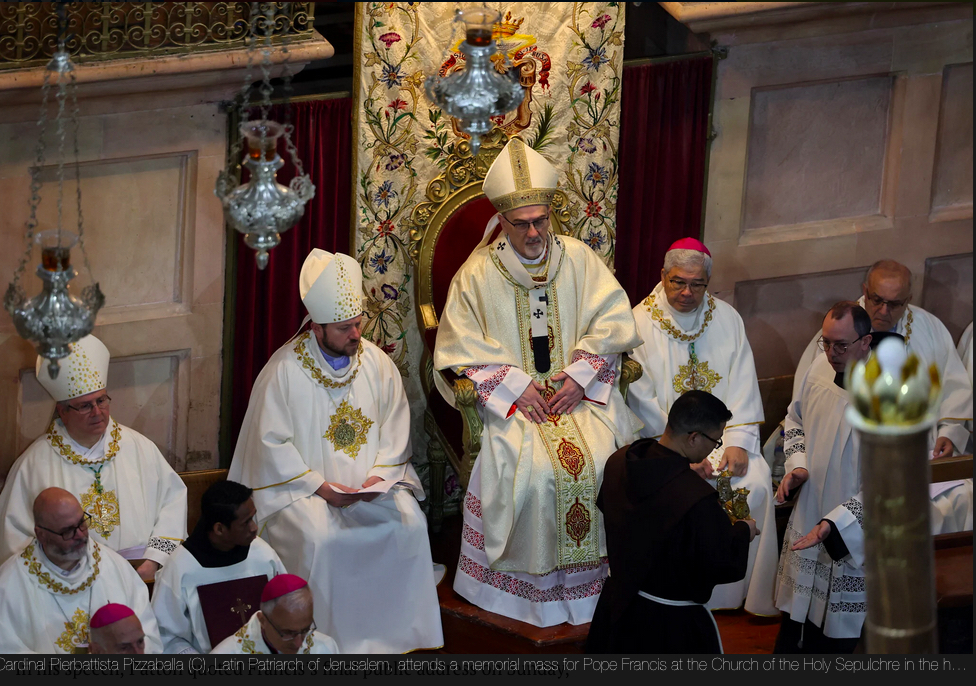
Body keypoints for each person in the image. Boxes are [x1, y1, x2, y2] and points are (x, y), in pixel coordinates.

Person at [434, 136, 643, 627]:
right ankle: (528, 595)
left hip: (579, 399)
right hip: (517, 406)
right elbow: (459, 345)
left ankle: (593, 589)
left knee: (604, 462)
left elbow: (613, 321)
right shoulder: (476, 274)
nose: (534, 232)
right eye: (521, 223)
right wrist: (512, 384)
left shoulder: (578, 258)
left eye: (541, 220)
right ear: (501, 221)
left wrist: (580, 376)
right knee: (535, 473)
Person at [229, 249, 443, 653]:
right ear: (317, 327)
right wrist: (321, 487)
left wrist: (379, 478)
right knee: (321, 539)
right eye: (345, 328)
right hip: (303, 494)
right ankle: (328, 645)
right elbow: (270, 445)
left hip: (370, 489)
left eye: (358, 323)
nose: (356, 334)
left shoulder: (376, 364)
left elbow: (395, 426)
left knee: (411, 525)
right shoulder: (283, 372)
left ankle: (405, 638)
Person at [625, 238, 777, 616]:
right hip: (669, 448)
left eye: (697, 284)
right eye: (678, 282)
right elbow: (641, 399)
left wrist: (739, 441)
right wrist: (679, 456)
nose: (687, 292)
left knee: (755, 481)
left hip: (721, 442)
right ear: (663, 276)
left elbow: (743, 382)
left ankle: (733, 597)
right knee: (684, 490)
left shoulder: (727, 318)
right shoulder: (638, 323)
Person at [0, 335, 187, 581]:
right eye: (85, 405)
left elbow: (173, 504)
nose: (97, 412)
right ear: (63, 411)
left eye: (101, 401)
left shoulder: (139, 447)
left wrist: (154, 561)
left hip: (143, 575)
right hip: (70, 582)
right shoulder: (33, 464)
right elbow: (14, 539)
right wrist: (67, 575)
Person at [586, 390, 757, 654]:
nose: (715, 448)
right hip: (668, 626)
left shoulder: (620, 460)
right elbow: (718, 563)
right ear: (694, 437)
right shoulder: (695, 496)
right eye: (716, 440)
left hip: (617, 607)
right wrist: (744, 530)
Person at [772, 302, 876, 653]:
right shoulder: (819, 368)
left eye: (841, 345)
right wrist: (798, 466)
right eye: (826, 343)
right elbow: (795, 419)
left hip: (849, 527)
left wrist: (835, 523)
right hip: (810, 508)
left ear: (866, 342)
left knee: (834, 638)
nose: (831, 353)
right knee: (796, 623)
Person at [793, 260, 972, 459]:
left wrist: (949, 433)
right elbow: (811, 399)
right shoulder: (840, 330)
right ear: (865, 291)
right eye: (877, 300)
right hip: (850, 450)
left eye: (894, 304)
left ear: (908, 300)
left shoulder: (930, 328)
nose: (884, 311)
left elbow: (952, 388)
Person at [0, 488, 161, 653]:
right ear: (41, 535)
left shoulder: (115, 567)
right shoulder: (9, 584)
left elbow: (148, 636)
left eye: (82, 523)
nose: (80, 535)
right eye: (67, 531)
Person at [152, 480, 286, 654]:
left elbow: (286, 607)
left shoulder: (262, 554)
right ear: (219, 529)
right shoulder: (181, 568)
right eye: (246, 522)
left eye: (253, 517)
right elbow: (167, 636)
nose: (254, 528)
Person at [210, 574, 338, 654]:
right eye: (288, 633)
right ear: (263, 620)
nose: (299, 643)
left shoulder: (325, 647)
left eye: (305, 629)